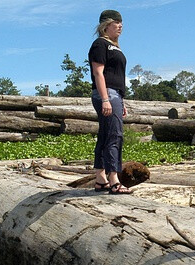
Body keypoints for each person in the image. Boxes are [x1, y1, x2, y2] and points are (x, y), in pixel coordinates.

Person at [88, 9, 132, 194]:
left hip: (115, 95)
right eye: (116, 23)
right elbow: (98, 73)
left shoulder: (115, 46)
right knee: (115, 135)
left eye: (121, 22)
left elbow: (117, 77)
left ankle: (101, 179)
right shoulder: (100, 45)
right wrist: (106, 99)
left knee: (106, 135)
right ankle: (114, 180)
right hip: (106, 94)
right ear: (106, 25)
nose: (120, 26)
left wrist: (121, 102)